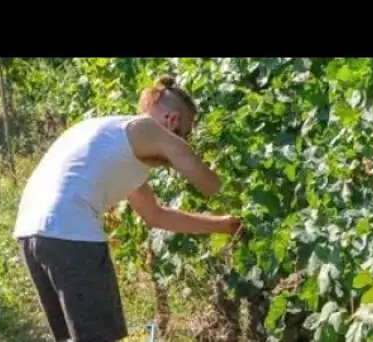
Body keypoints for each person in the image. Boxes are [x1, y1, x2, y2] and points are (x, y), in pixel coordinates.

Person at [12, 75, 242, 342]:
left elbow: (155, 215)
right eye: (186, 134)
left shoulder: (118, 140)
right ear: (173, 121)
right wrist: (247, 201)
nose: (184, 141)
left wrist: (223, 225)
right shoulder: (148, 129)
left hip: (31, 234)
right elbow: (213, 186)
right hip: (71, 234)